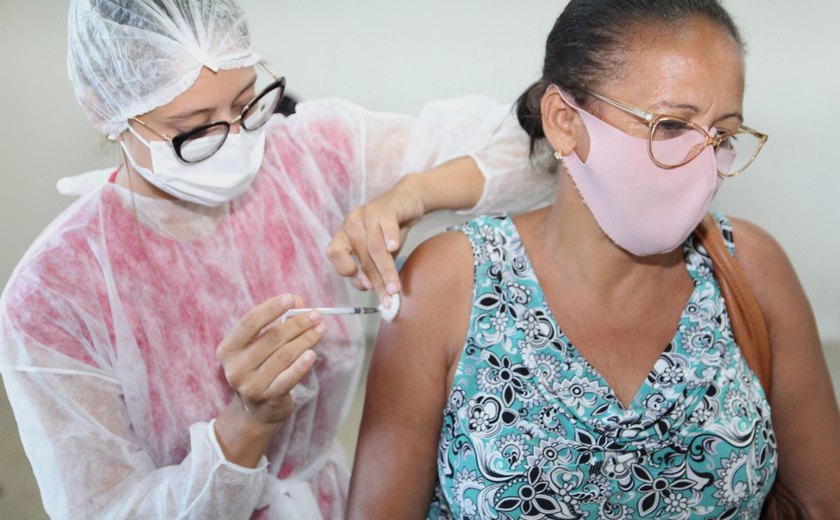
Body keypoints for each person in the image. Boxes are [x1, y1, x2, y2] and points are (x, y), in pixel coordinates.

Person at [0, 1, 555, 519]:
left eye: (247, 104)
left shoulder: (311, 153)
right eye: (194, 129)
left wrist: (414, 192)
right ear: (105, 110)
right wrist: (246, 423)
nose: (237, 141)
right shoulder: (52, 295)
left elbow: (539, 149)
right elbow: (109, 509)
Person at [347, 0, 840, 518]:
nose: (703, 165)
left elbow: (821, 503)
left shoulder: (750, 268)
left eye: (722, 134)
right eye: (670, 126)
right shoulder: (452, 283)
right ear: (564, 121)